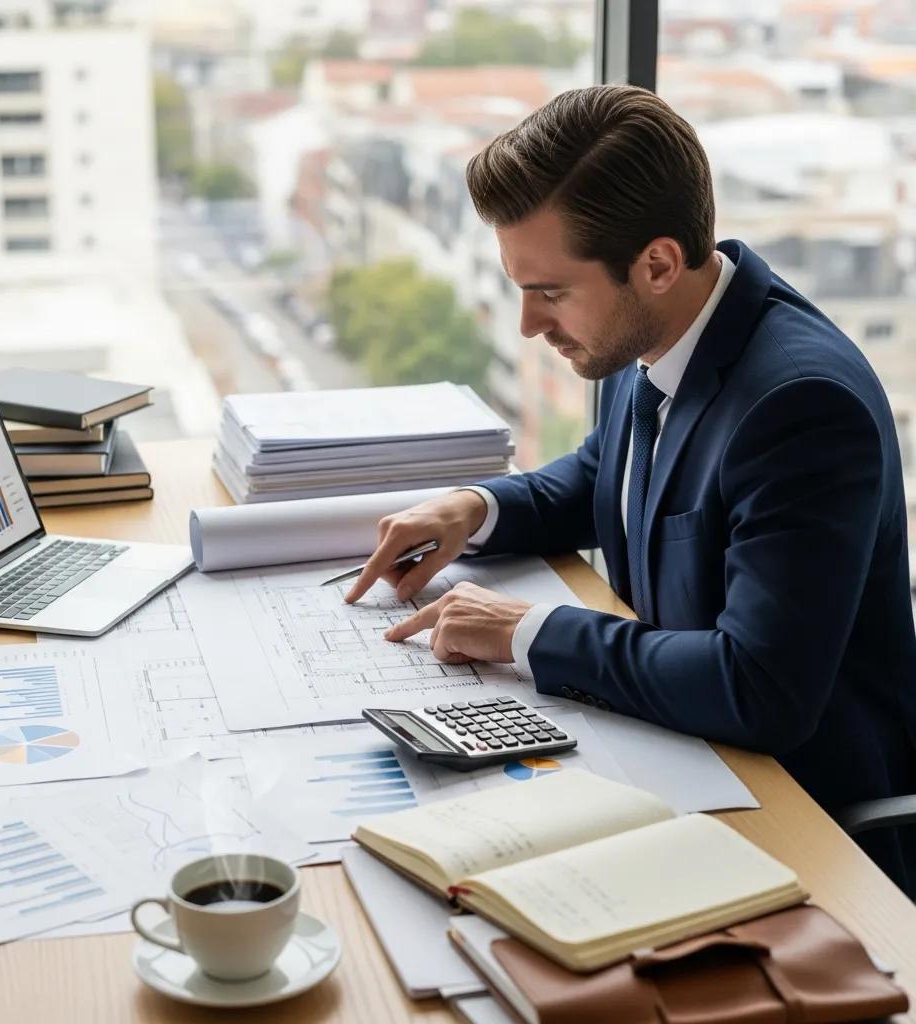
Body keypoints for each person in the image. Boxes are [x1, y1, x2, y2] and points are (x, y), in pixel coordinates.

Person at [344, 85, 916, 896]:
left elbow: (761, 690)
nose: (528, 326)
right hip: (676, 752)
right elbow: (610, 473)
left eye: (548, 291)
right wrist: (480, 507)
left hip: (799, 820)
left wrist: (526, 631)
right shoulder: (652, 330)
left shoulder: (800, 407)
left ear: (656, 264)